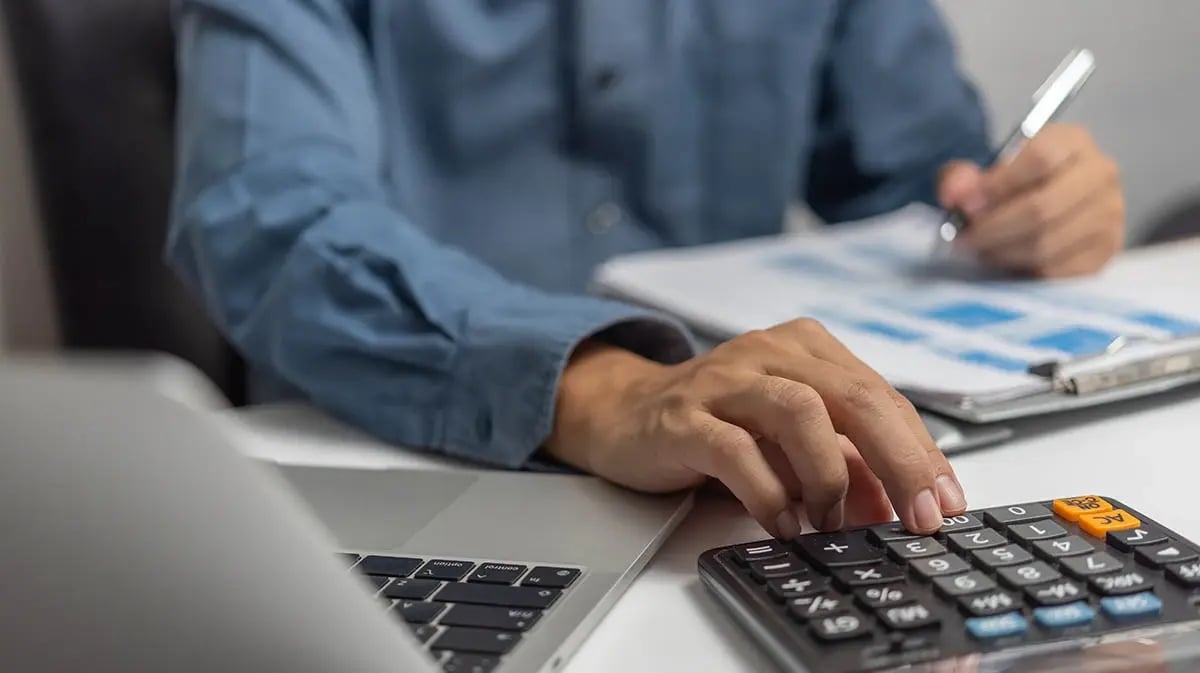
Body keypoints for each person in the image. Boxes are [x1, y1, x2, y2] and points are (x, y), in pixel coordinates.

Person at [169, 1, 1125, 538]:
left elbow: (918, 176)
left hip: (747, 479)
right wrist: (600, 388)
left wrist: (1021, 209)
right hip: (396, 474)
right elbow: (269, 216)